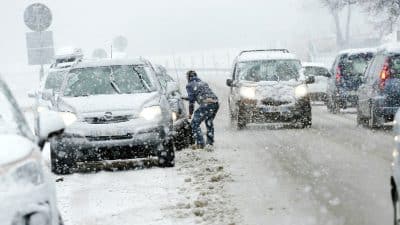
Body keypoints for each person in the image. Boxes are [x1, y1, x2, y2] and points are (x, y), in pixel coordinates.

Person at [185, 70, 219, 150]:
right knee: (209, 121)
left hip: (206, 104)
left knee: (194, 124)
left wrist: (190, 114)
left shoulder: (189, 85)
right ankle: (210, 143)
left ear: (188, 77)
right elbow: (198, 95)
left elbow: (192, 101)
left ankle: (200, 143)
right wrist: (186, 98)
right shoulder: (203, 83)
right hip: (215, 103)